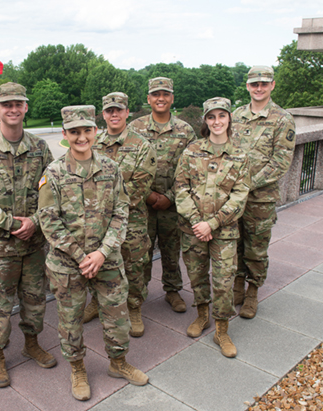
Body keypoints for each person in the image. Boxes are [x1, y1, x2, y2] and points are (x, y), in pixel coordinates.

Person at [38, 105, 148, 401]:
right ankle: (77, 368)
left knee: (116, 316)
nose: (81, 137)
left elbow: (122, 211)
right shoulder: (54, 172)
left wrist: (102, 252)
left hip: (107, 259)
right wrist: (81, 256)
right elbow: (48, 220)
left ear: (95, 131)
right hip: (67, 264)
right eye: (74, 132)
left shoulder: (110, 169)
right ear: (65, 135)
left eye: (87, 130)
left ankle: (118, 362)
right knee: (70, 320)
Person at [0, 82, 56, 388]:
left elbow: (53, 191)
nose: (13, 109)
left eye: (18, 103)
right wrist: (11, 224)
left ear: (25, 107)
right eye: (7, 104)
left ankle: (32, 343)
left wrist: (35, 221)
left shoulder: (40, 149)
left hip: (32, 245)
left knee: (34, 301)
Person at [175, 97, 250, 357]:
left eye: (222, 116)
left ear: (229, 118)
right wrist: (197, 222)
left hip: (224, 232)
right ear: (205, 120)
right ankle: (202, 315)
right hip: (193, 230)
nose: (217, 121)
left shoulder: (239, 155)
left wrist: (213, 223)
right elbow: (180, 187)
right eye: (211, 117)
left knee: (223, 281)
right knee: (196, 277)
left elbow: (240, 196)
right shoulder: (192, 150)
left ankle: (222, 329)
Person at [83, 92, 156, 337]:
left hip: (131, 221)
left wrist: (110, 209)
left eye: (119, 110)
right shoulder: (94, 143)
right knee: (99, 264)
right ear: (102, 115)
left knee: (134, 265)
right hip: (99, 223)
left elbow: (141, 186)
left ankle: (134, 308)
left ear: (127, 113)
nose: (114, 114)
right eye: (109, 111)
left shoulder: (141, 145)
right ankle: (96, 301)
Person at [232, 66, 296, 319]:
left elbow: (280, 162)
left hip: (261, 199)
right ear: (247, 86)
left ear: (272, 85)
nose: (259, 88)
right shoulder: (236, 115)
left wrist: (247, 184)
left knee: (256, 248)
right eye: (254, 83)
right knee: (234, 244)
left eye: (264, 83)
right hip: (234, 198)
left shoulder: (282, 119)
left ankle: (252, 291)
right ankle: (237, 285)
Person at [128, 77, 196, 313]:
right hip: (142, 205)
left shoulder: (185, 131)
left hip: (172, 203)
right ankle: (137, 296)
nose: (161, 98)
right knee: (140, 253)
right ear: (148, 99)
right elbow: (129, 167)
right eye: (156, 94)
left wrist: (170, 196)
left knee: (171, 249)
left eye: (165, 94)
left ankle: (173, 290)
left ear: (172, 98)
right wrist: (147, 195)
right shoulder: (134, 129)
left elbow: (191, 169)